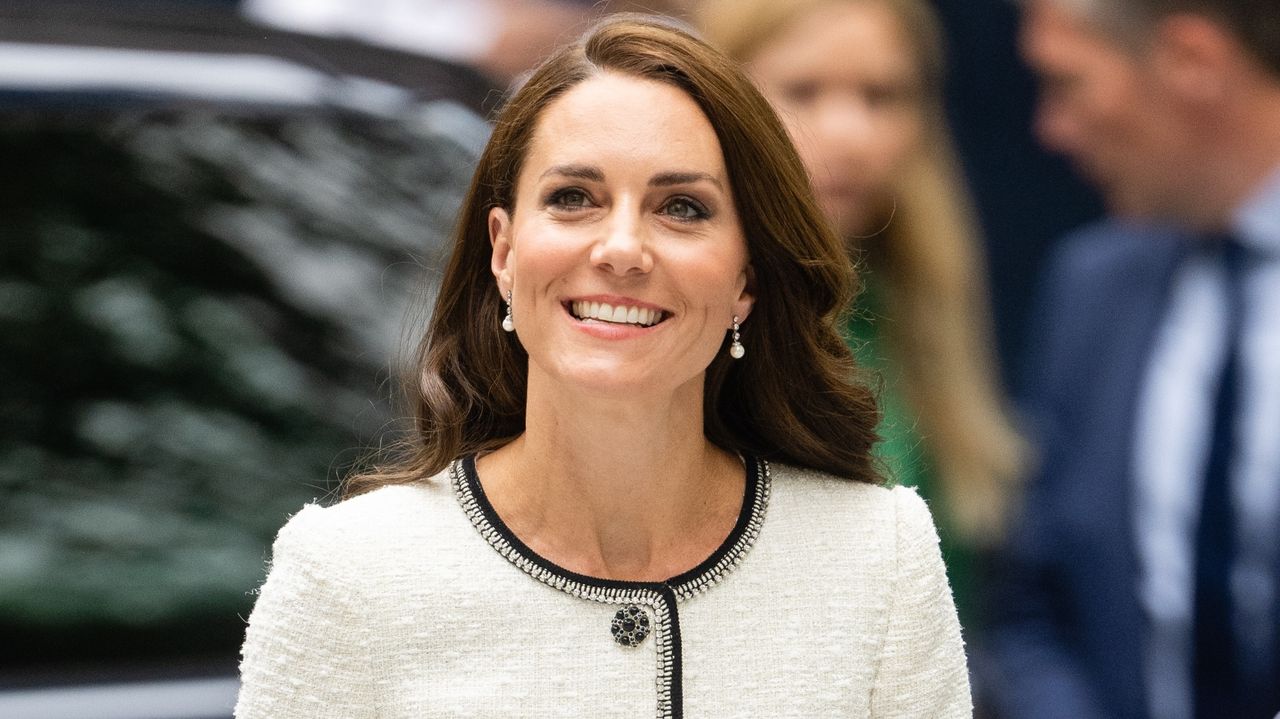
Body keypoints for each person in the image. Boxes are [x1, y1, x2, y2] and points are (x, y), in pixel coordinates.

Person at [233, 14, 970, 718]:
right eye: (573, 198)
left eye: (681, 207)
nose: (621, 248)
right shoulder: (346, 575)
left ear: (747, 276)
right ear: (503, 250)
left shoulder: (881, 559)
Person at [988, 1, 1280, 717]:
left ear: (1193, 63)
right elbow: (1035, 605)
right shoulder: (1094, 286)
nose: (1050, 129)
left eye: (1068, 83)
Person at [696, 0, 1026, 618]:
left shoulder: (913, 302)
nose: (850, 133)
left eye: (881, 96)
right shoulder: (686, 321)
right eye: (803, 90)